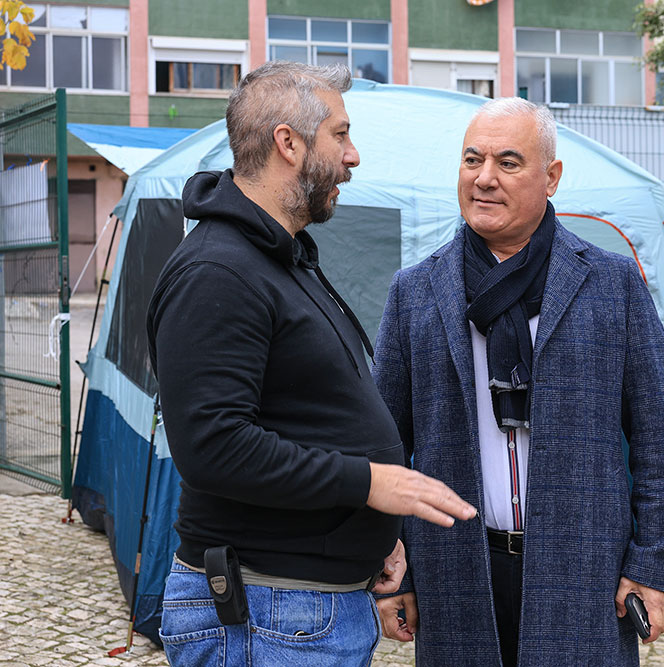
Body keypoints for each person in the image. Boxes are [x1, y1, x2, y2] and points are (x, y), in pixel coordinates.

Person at [146, 61, 477, 667]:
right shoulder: (218, 272)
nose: (353, 157)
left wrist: (370, 536)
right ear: (288, 142)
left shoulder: (281, 258)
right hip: (264, 613)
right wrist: (371, 484)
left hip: (304, 608)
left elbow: (304, 414)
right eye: (342, 134)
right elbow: (213, 447)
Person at [372, 97, 664, 666]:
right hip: (455, 573)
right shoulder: (416, 292)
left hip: (584, 575)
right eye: (473, 160)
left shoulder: (611, 286)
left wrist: (652, 565)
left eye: (509, 162)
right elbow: (386, 446)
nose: (485, 178)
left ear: (551, 177)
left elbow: (658, 438)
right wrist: (394, 568)